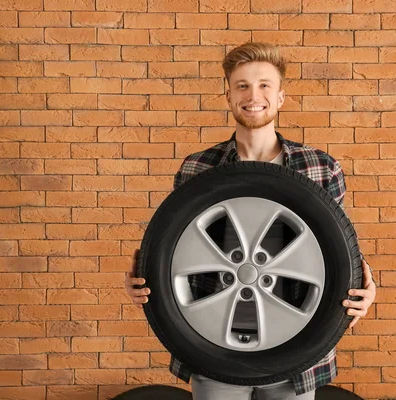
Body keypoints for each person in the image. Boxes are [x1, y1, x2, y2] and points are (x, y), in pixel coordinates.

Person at [124, 42, 377, 400]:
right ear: (228, 96)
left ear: (280, 96)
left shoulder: (320, 168)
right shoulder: (199, 168)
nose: (252, 95)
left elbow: (340, 251)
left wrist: (366, 289)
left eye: (264, 85)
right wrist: (148, 284)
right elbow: (181, 253)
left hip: (297, 349)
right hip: (214, 348)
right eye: (242, 85)